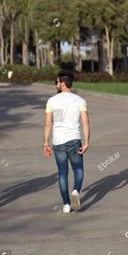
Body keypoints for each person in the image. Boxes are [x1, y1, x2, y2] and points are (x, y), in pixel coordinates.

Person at [43, 70, 90, 213]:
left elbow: (47, 123)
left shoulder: (52, 100)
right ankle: (76, 191)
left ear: (63, 84)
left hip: (58, 142)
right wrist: (86, 142)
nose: (56, 84)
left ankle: (66, 204)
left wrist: (46, 143)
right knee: (78, 169)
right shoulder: (80, 101)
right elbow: (85, 122)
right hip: (75, 140)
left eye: (57, 82)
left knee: (62, 173)